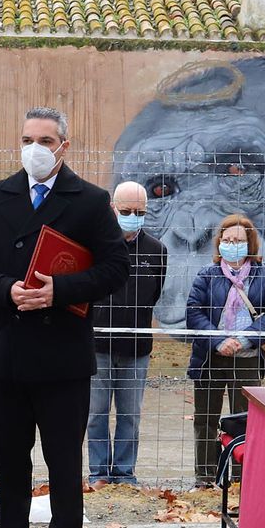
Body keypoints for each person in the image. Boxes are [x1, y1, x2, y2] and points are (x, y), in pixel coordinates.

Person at [0, 106, 128, 528]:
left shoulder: (91, 202)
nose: (35, 147)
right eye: (28, 137)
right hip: (6, 355)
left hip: (63, 360)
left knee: (61, 463)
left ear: (64, 146)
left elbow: (116, 269)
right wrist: (4, 287)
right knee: (10, 462)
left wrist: (62, 290)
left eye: (46, 139)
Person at [185, 214, 265, 487]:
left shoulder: (264, 276)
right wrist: (219, 340)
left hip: (247, 358)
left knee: (246, 421)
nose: (232, 245)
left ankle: (243, 478)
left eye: (238, 241)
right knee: (206, 420)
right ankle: (205, 479)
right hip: (210, 358)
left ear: (249, 243)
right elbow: (194, 314)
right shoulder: (207, 275)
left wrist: (246, 338)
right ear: (219, 244)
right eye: (227, 240)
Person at [86, 181, 167, 485]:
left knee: (130, 415)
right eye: (126, 211)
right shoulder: (95, 247)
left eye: (140, 211)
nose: (133, 216)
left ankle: (124, 472)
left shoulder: (156, 250)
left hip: (136, 348)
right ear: (112, 209)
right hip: (98, 345)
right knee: (96, 413)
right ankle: (99, 472)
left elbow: (154, 293)